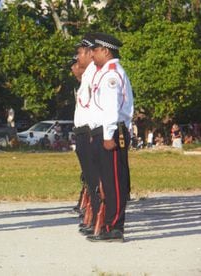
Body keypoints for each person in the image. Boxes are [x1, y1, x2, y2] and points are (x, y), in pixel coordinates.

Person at [86, 33, 134, 242]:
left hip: (112, 132)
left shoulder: (112, 74)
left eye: (95, 50)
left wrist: (107, 136)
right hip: (104, 131)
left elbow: (112, 109)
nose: (92, 54)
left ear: (105, 51)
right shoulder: (103, 72)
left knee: (114, 180)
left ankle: (115, 227)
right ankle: (109, 224)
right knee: (106, 179)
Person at [71, 34, 100, 236]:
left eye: (80, 52)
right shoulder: (89, 74)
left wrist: (91, 132)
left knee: (94, 178)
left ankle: (99, 217)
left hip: (90, 131)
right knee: (89, 179)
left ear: (90, 53)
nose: (77, 57)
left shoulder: (94, 73)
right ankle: (93, 215)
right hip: (82, 131)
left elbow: (94, 108)